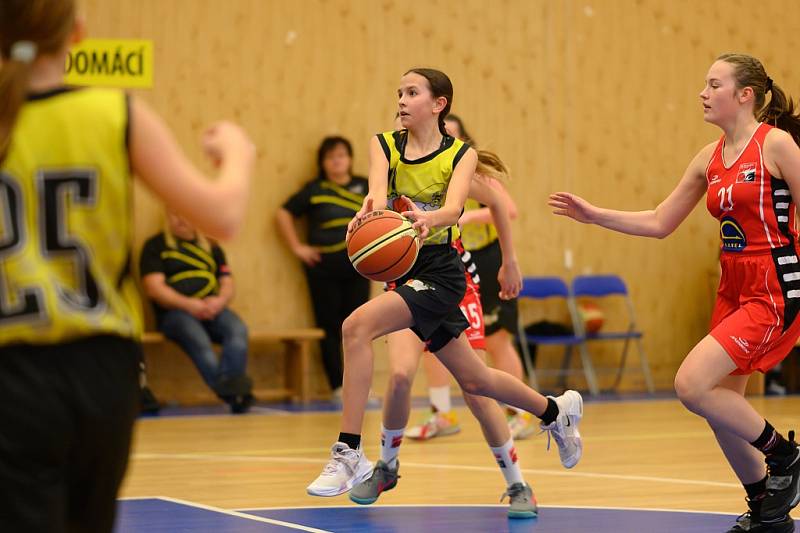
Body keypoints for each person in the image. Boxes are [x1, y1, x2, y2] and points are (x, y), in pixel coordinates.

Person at [0, 1, 253, 531]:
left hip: (13, 370)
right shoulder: (116, 113)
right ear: (78, 34)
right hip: (101, 370)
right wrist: (238, 153)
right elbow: (224, 216)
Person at [549, 53, 800, 533]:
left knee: (690, 385)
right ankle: (767, 506)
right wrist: (593, 214)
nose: (703, 93)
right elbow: (661, 221)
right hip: (732, 283)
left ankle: (788, 457)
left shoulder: (777, 145)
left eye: (713, 84)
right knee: (719, 407)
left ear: (744, 95)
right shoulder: (708, 157)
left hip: (774, 282)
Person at [307, 67, 583, 501]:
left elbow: (456, 209)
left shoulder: (460, 155)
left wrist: (428, 221)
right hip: (403, 271)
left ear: (438, 104)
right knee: (475, 380)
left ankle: (350, 451)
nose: (400, 99)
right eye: (398, 91)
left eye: (411, 92)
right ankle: (554, 410)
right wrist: (369, 219)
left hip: (440, 271)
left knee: (355, 327)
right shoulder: (383, 144)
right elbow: (378, 193)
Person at [348, 153, 539, 518]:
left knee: (477, 391)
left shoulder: (453, 166)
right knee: (401, 376)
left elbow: (500, 202)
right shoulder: (393, 165)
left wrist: (508, 260)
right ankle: (387, 467)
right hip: (405, 282)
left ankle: (518, 483)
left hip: (453, 282)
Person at [405, 114, 534, 442]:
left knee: (496, 339)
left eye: (451, 130)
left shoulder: (470, 168)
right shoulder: (419, 171)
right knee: (431, 340)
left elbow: (508, 208)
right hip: (445, 261)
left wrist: (463, 214)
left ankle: (518, 413)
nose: (444, 132)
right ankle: (441, 413)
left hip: (484, 260)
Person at [276, 137, 370, 402]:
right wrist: (298, 248)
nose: (336, 161)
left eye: (341, 155)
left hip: (359, 266)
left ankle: (359, 387)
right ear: (322, 163)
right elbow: (283, 214)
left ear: (350, 158)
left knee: (359, 327)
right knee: (330, 327)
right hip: (323, 269)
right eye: (330, 157)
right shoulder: (314, 189)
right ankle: (337, 387)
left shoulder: (365, 186)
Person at [140, 213, 254, 414]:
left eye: (185, 214)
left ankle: (233, 391)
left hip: (213, 309)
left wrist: (219, 302)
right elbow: (154, 288)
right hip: (175, 314)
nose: (180, 220)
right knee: (197, 339)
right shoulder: (155, 246)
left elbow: (227, 282)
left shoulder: (211, 247)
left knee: (237, 330)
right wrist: (189, 305)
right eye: (174, 215)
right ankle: (236, 393)